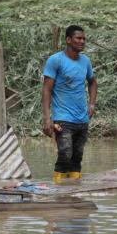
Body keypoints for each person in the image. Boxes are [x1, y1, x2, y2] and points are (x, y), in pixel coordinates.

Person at [42, 25, 98, 183]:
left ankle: (74, 192)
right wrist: (47, 119)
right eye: (78, 38)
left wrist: (92, 105)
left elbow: (93, 82)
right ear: (68, 40)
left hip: (82, 119)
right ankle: (58, 189)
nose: (82, 41)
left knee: (77, 157)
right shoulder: (56, 60)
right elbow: (46, 89)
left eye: (84, 39)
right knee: (65, 154)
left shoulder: (85, 61)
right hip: (63, 118)